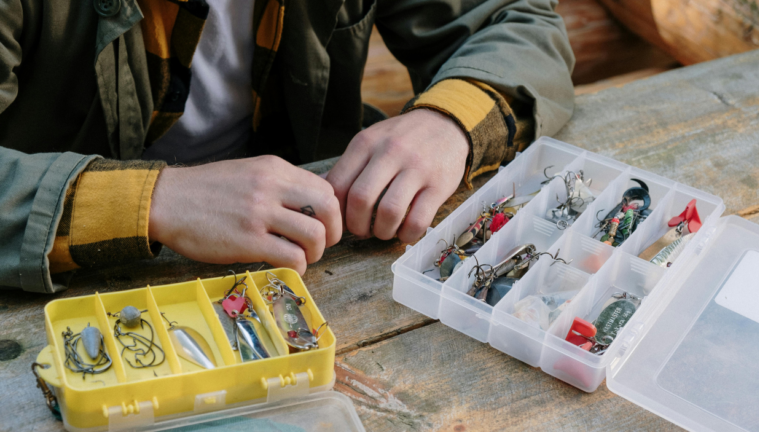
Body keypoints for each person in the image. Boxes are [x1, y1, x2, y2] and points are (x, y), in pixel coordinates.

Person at [0, 0, 575, 293]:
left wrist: (448, 122)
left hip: (319, 256)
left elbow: (511, 19)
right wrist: (152, 201)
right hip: (57, 279)